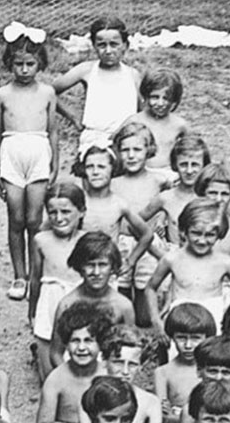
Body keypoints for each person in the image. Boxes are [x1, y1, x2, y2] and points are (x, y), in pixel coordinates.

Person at [0, 23, 59, 300]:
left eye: (30, 64)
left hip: (38, 151)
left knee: (34, 219)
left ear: (40, 63)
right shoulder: (1, 95)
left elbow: (53, 131)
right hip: (12, 152)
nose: (24, 70)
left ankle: (36, 275)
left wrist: (55, 163)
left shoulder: (47, 93)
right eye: (18, 64)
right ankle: (20, 276)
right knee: (16, 218)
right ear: (10, 63)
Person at [145, 200, 230, 331]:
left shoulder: (225, 262)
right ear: (184, 231)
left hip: (214, 324)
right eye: (196, 233)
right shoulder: (172, 259)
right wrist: (155, 319)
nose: (202, 241)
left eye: (210, 235)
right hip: (179, 323)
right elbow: (150, 288)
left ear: (220, 234)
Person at [77, 144, 157, 302]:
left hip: (107, 272)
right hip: (80, 270)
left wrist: (130, 261)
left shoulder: (119, 204)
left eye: (101, 167)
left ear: (112, 169)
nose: (95, 172)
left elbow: (147, 234)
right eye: (90, 167)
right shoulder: (78, 201)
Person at [53, 16, 142, 154]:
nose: (108, 51)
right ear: (94, 46)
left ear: (125, 45)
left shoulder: (133, 75)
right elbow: (48, 92)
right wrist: (73, 116)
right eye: (102, 45)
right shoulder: (86, 70)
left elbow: (143, 111)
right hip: (93, 140)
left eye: (114, 44)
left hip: (125, 142)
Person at [38, 303, 112, 423]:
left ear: (100, 344)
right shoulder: (56, 379)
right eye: (75, 341)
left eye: (89, 341)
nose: (81, 348)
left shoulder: (107, 373)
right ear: (66, 344)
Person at [110, 122, 169, 323]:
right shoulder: (113, 183)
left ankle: (144, 326)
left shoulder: (159, 180)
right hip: (121, 242)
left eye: (137, 149)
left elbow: (168, 199)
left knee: (146, 288)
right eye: (125, 150)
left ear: (149, 150)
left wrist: (162, 218)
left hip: (149, 244)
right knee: (121, 287)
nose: (131, 155)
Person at [51, 232, 135, 366]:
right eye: (90, 265)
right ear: (80, 267)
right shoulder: (67, 304)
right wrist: (69, 375)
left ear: (112, 267)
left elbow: (130, 351)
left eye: (102, 265)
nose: (96, 272)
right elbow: (56, 353)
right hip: (75, 367)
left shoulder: (124, 306)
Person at [29, 182, 86, 380]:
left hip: (80, 303)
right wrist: (32, 312)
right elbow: (35, 278)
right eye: (52, 212)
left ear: (81, 211)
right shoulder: (41, 240)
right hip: (50, 302)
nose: (59, 218)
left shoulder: (88, 240)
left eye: (66, 211)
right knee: (50, 374)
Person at [154, 302, 216, 423]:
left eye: (195, 338)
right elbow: (161, 418)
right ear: (172, 337)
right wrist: (185, 421)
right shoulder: (163, 372)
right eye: (181, 338)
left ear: (207, 337)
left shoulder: (213, 370)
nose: (188, 345)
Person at [138, 134, 213, 247]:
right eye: (183, 165)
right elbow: (133, 223)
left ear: (204, 166)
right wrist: (153, 246)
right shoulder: (165, 198)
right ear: (175, 165)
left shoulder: (211, 196)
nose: (189, 171)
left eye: (195, 165)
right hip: (176, 254)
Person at [194, 163, 230, 296]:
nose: (219, 199)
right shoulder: (192, 226)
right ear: (202, 193)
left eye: (225, 194)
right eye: (212, 193)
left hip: (227, 291)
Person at [125, 69, 191, 182]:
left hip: (168, 174)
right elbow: (115, 143)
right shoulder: (135, 120)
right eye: (155, 97)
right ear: (146, 96)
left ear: (174, 100)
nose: (160, 103)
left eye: (166, 98)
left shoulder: (180, 125)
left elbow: (193, 149)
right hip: (141, 172)